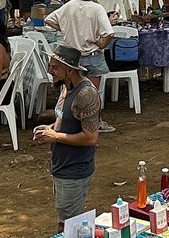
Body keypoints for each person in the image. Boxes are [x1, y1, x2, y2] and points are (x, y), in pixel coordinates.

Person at [33, 44, 101, 230]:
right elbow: (65, 121)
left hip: (74, 170)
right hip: (61, 166)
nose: (50, 71)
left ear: (70, 70)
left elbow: (90, 138)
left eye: (55, 68)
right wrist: (49, 129)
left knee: (69, 226)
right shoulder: (65, 87)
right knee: (65, 220)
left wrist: (54, 136)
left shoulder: (86, 94)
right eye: (50, 66)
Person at [44, 0, 116, 131]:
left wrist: (66, 28)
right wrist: (101, 44)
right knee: (93, 94)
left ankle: (67, 123)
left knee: (69, 92)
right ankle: (94, 124)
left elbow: (49, 20)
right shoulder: (97, 8)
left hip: (71, 58)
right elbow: (109, 33)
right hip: (92, 55)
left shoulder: (69, 5)